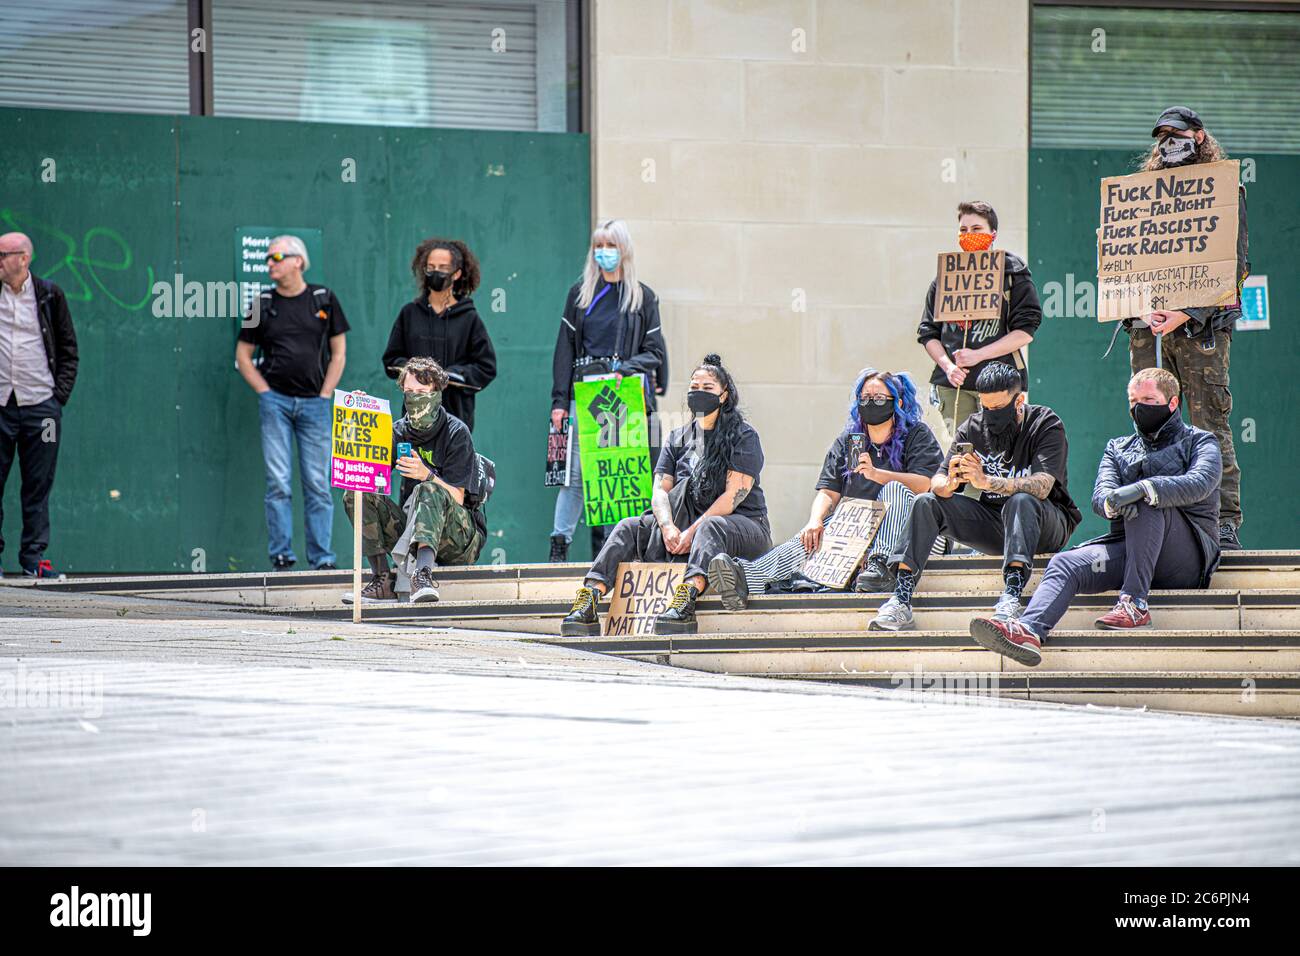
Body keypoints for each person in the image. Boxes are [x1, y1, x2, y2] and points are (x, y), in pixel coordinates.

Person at [969, 368, 1222, 666]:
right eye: (1133, 400)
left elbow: (1201, 482)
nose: (1139, 407)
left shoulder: (1201, 441)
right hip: (1132, 550)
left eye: (1149, 399)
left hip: (1185, 558)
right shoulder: (1118, 447)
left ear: (1172, 402)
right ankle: (1029, 630)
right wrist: (1114, 502)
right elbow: (1100, 497)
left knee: (1145, 500)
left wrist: (1143, 488)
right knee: (1065, 562)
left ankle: (1135, 604)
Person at [560, 354, 770, 637]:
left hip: (744, 529)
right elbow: (660, 490)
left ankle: (685, 601)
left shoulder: (744, 436)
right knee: (628, 527)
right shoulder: (677, 438)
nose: (698, 392)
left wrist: (691, 533)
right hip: (685, 528)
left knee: (710, 526)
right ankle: (588, 601)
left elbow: (733, 496)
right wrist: (668, 527)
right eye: (694, 386)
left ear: (724, 395)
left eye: (707, 388)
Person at [707, 368, 943, 609]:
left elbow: (925, 485)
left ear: (898, 402)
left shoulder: (917, 434)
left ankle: (880, 565)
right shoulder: (851, 440)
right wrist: (815, 520)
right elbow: (829, 492)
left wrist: (877, 474)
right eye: (865, 397)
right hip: (863, 529)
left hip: (915, 534)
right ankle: (748, 577)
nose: (871, 402)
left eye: (879, 398)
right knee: (817, 531)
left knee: (894, 489)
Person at [870, 362, 1081, 632]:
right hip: (995, 525)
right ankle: (900, 599)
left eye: (998, 409)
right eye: (985, 407)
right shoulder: (974, 427)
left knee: (1021, 500)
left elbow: (1043, 485)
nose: (990, 416)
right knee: (926, 502)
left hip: (1046, 524)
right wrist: (947, 485)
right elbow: (937, 478)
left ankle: (1012, 596)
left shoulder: (1045, 423)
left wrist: (986, 481)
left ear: (1019, 401)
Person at [1121, 107, 1248, 550]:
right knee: (1149, 423)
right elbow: (1123, 263)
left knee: (1208, 425)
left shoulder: (1224, 189)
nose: (1168, 143)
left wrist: (1185, 312)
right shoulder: (1140, 194)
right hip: (1147, 331)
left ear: (1198, 136)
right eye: (1161, 137)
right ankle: (1152, 517)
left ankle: (1224, 522)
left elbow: (1236, 267)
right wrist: (1138, 308)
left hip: (1200, 333)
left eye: (1176, 134)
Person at [549, 219, 666, 563]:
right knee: (574, 477)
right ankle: (559, 548)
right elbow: (564, 350)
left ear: (624, 249)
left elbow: (655, 352)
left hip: (624, 397)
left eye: (611, 246)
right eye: (599, 246)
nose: (604, 253)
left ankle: (618, 552)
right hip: (583, 395)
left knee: (617, 481)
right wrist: (559, 401)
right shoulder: (580, 294)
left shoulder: (643, 297)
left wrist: (623, 369)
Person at [236, 235, 348, 571]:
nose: (270, 263)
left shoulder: (323, 298)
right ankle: (282, 555)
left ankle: (322, 560)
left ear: (298, 260)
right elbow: (243, 356)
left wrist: (326, 393)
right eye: (268, 258)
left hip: (315, 405)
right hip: (276, 405)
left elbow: (339, 353)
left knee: (317, 482)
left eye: (277, 256)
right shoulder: (261, 303)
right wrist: (265, 393)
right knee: (278, 482)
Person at [344, 357, 486, 605]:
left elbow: (459, 497)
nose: (415, 398)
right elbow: (367, 476)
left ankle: (422, 575)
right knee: (355, 493)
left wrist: (426, 474)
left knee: (428, 488)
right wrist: (360, 413)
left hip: (459, 538)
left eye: (422, 392)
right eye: (409, 392)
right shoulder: (398, 431)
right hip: (412, 529)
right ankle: (381, 579)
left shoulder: (456, 432)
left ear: (437, 393)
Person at [918, 200, 1042, 446]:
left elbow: (1025, 332)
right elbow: (928, 333)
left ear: (992, 234)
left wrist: (979, 355)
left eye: (977, 229)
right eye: (963, 230)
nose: (969, 235)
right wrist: (948, 367)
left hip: (1001, 383)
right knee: (963, 453)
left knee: (1000, 451)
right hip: (955, 388)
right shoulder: (945, 278)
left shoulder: (1013, 275)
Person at [0, 231, 78, 578]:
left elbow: (68, 349)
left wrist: (57, 397)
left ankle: (33, 561)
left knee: (37, 486)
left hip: (41, 407)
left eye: (3, 256)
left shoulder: (49, 295)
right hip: (2, 404)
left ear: (23, 259)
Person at [383, 238, 497, 432]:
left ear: (457, 273)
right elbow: (391, 360)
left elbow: (485, 367)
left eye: (443, 267)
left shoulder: (469, 318)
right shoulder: (409, 313)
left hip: (457, 417)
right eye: (431, 267)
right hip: (415, 417)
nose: (436, 272)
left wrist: (449, 376)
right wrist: (416, 374)